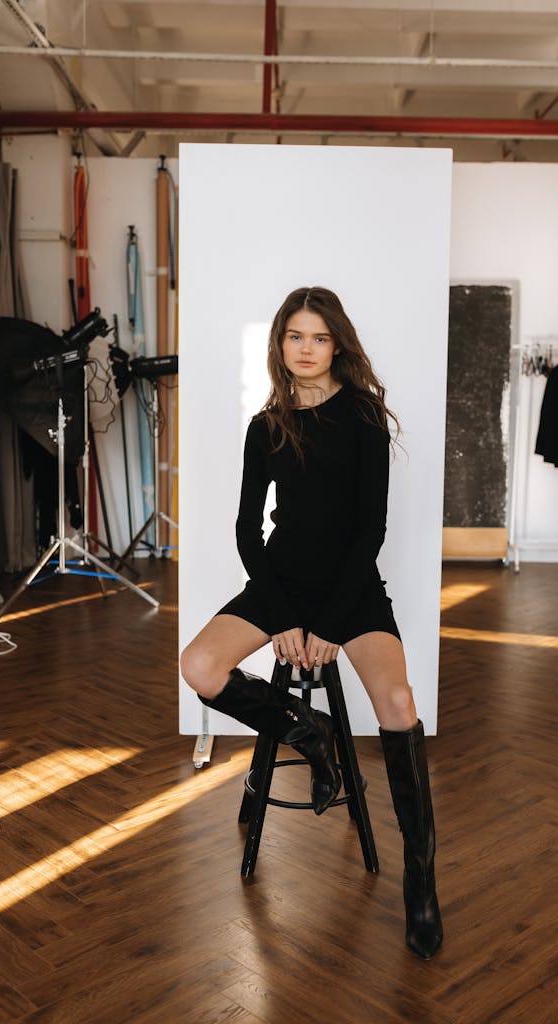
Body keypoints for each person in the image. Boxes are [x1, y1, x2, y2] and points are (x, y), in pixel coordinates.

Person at [180, 286, 443, 959]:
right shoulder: (264, 426)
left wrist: (324, 623)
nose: (304, 349)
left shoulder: (361, 419)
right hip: (281, 583)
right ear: (279, 344)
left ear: (337, 344)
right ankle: (309, 731)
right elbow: (246, 531)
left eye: (317, 337)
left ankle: (419, 880)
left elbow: (370, 529)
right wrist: (285, 616)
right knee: (200, 666)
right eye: (293, 336)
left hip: (350, 590)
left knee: (396, 701)